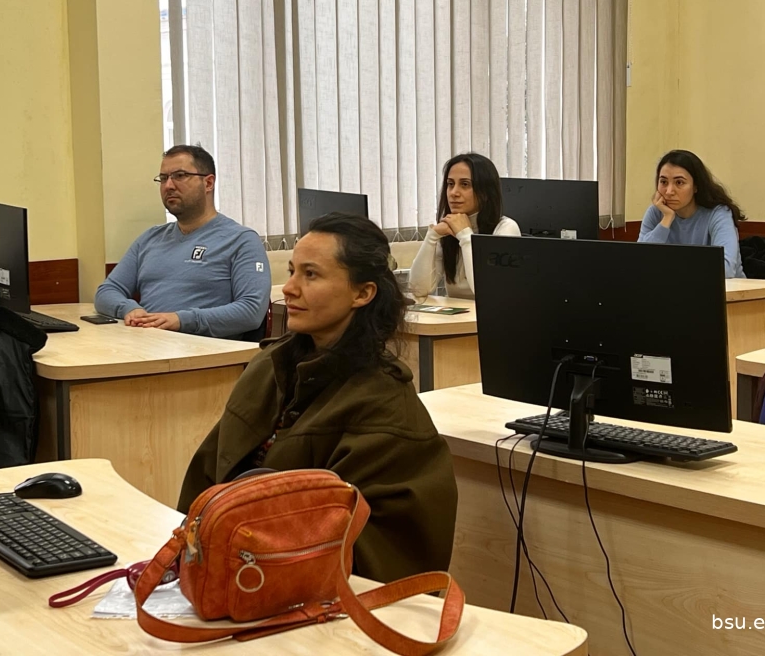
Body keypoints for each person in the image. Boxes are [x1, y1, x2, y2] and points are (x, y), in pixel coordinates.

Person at [178, 212, 457, 583]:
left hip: (306, 590)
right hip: (229, 571)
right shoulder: (267, 367)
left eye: (310, 275)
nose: (289, 288)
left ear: (363, 293)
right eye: (292, 271)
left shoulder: (384, 406)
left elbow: (383, 559)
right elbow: (205, 479)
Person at [95, 145, 271, 339]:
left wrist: (180, 320)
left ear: (208, 183)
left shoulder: (241, 240)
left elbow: (251, 311)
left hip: (205, 352)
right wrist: (130, 309)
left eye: (180, 176)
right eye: (163, 178)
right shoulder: (150, 239)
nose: (168, 186)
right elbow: (107, 291)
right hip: (147, 345)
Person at [408, 152, 521, 299]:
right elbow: (417, 290)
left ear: (485, 192)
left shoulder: (506, 228)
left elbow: (488, 293)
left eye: (465, 184)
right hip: (459, 314)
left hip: (491, 313)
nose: (454, 193)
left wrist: (465, 236)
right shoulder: (448, 229)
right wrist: (432, 237)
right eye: (450, 184)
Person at [637, 149, 746, 279]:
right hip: (672, 288)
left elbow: (726, 270)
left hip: (728, 290)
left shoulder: (719, 213)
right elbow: (639, 262)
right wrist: (667, 219)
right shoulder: (656, 212)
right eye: (664, 182)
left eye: (679, 182)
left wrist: (666, 268)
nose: (669, 191)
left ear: (696, 186)